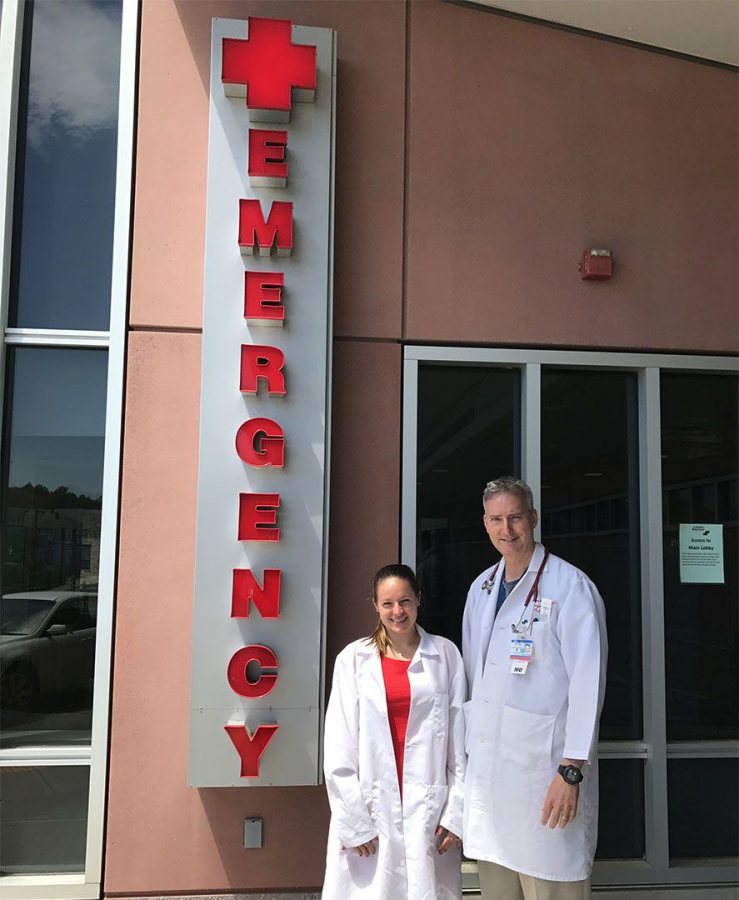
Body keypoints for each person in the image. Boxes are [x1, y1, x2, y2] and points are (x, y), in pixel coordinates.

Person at [462, 477, 607, 900]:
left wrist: (571, 769)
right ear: (485, 524)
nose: (506, 529)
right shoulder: (482, 588)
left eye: (515, 517)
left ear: (533, 519)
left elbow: (588, 682)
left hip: (547, 777)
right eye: (496, 519)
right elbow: (478, 679)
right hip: (492, 779)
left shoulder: (570, 587)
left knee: (552, 885)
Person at [322, 563, 467, 900]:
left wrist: (456, 812)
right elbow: (338, 747)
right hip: (372, 809)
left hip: (430, 809)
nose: (397, 611)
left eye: (405, 601)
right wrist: (354, 823)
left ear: (418, 600)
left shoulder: (446, 655)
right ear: (375, 605)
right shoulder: (353, 660)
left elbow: (460, 745)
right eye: (387, 603)